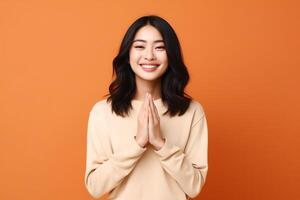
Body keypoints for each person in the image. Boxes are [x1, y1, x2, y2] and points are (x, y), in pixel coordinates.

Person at [84, 15, 208, 200]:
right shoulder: (103, 112)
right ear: (128, 55)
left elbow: (194, 186)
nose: (149, 55)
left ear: (171, 54)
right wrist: (137, 144)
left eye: (160, 47)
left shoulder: (192, 111)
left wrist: (160, 143)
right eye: (140, 46)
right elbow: (95, 187)